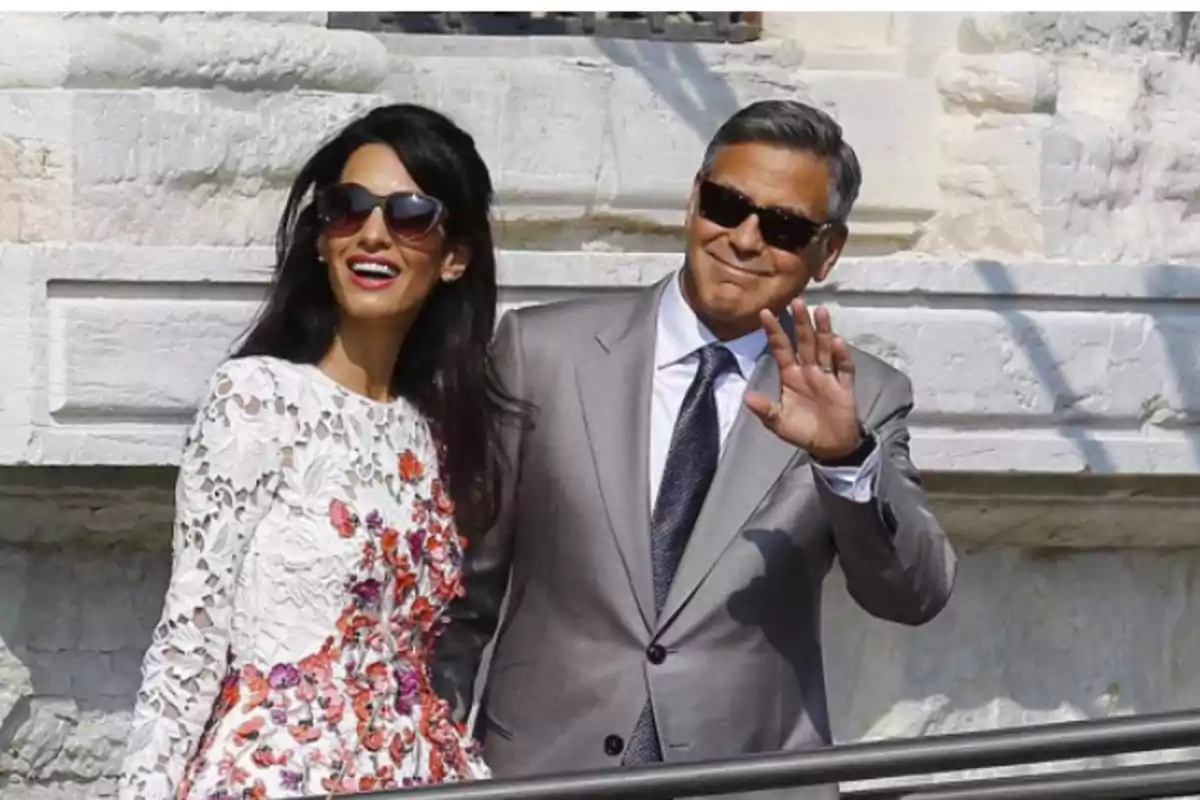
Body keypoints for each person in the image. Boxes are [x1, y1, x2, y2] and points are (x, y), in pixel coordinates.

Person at [432, 100, 958, 799]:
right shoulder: (541, 353)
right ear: (692, 202)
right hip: (542, 774)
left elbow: (914, 594)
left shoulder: (859, 397)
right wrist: (427, 756)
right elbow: (461, 592)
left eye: (783, 227)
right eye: (726, 204)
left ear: (827, 252)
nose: (744, 240)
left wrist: (844, 460)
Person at [118, 103, 526, 799]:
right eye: (348, 208)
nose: (373, 234)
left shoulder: (440, 431)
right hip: (276, 774)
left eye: (410, 215)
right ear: (320, 237)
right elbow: (190, 636)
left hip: (417, 774)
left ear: (454, 256)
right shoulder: (256, 398)